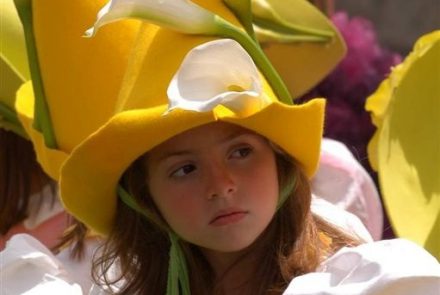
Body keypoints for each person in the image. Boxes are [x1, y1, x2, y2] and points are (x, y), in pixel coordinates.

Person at [58, 2, 440, 293]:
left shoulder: (366, 283)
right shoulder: (113, 285)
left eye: (241, 151)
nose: (221, 184)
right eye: (184, 169)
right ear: (146, 195)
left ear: (279, 159)